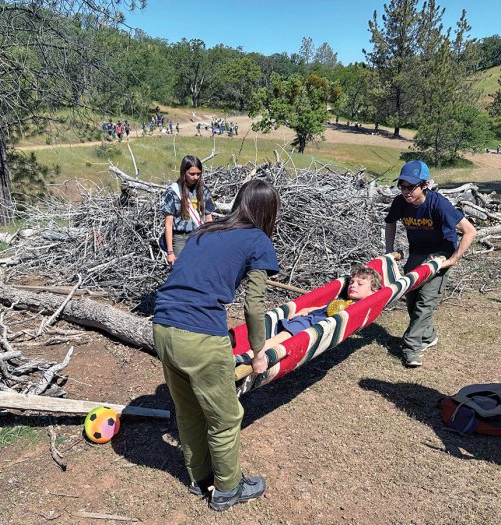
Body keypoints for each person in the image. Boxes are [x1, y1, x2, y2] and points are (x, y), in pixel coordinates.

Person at [153, 180, 280, 511]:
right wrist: (258, 352)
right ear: (269, 212)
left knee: (189, 410)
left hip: (163, 326)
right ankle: (228, 488)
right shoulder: (258, 239)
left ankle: (199, 477)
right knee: (225, 417)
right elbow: (254, 306)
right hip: (199, 336)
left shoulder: (204, 231)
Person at [384, 160, 476, 367]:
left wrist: (452, 260)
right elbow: (390, 222)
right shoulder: (400, 203)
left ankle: (411, 348)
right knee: (412, 298)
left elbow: (470, 231)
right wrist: (389, 251)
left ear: (425, 185)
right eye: (402, 186)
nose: (406, 191)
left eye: (411, 187)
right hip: (417, 252)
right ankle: (428, 336)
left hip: (440, 255)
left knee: (426, 302)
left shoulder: (439, 204)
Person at [264, 265, 382, 349]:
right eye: (351, 282)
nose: (353, 285)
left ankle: (256, 354)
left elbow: (377, 298)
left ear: (373, 291)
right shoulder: (342, 300)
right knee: (277, 340)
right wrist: (306, 310)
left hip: (315, 328)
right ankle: (254, 354)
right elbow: (323, 308)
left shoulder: (360, 307)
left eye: (360, 284)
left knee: (280, 342)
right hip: (307, 322)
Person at [159, 156, 215, 265]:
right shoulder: (173, 192)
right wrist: (170, 252)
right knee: (181, 271)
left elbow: (209, 219)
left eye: (198, 174)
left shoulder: (204, 191)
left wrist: (211, 241)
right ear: (184, 172)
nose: (196, 177)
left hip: (200, 237)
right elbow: (168, 224)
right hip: (180, 239)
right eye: (192, 174)